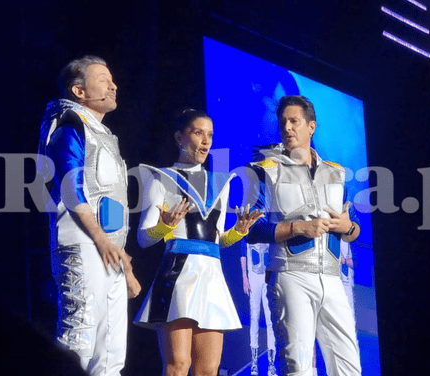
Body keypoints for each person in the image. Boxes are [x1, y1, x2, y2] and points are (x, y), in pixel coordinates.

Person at [133, 109, 263, 376]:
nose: (205, 141)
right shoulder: (162, 178)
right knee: (178, 365)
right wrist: (164, 226)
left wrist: (238, 231)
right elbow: (143, 238)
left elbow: (220, 239)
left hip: (211, 278)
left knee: (208, 369)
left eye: (210, 135)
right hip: (177, 275)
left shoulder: (221, 183)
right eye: (198, 133)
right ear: (180, 138)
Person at [38, 55, 141, 376]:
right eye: (101, 79)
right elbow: (71, 190)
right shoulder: (69, 126)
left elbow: (109, 202)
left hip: (108, 251)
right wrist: (102, 241)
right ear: (79, 91)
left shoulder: (104, 136)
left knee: (111, 352)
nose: (113, 85)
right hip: (82, 244)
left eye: (111, 79)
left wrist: (122, 259)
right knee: (79, 336)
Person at [246, 95, 362, 375]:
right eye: (283, 122)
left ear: (311, 126)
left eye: (294, 121)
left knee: (349, 368)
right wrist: (299, 227)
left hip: (332, 279)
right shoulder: (263, 171)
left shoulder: (336, 173)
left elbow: (354, 228)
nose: (287, 128)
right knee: (298, 367)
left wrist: (346, 227)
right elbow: (249, 228)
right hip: (290, 276)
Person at [241, 242, 277, 376]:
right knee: (254, 318)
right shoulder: (249, 228)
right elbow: (243, 254)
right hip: (254, 277)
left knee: (270, 320)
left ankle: (271, 364)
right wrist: (245, 277)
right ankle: (254, 363)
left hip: (267, 278)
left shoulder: (269, 222)